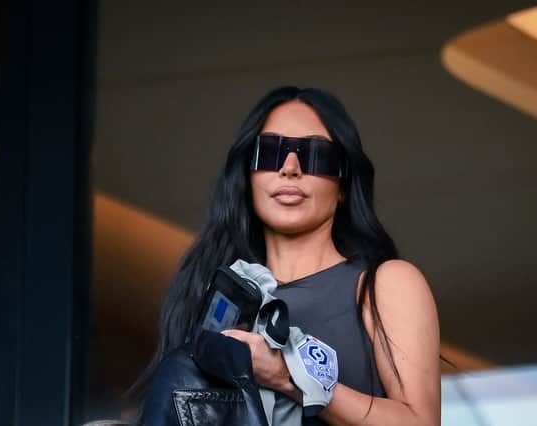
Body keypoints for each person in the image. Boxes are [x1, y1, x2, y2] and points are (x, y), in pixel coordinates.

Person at [136, 86, 441, 425]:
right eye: (269, 152)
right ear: (247, 177)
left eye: (315, 155)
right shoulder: (216, 293)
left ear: (342, 183)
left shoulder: (384, 284)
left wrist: (288, 376)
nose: (290, 167)